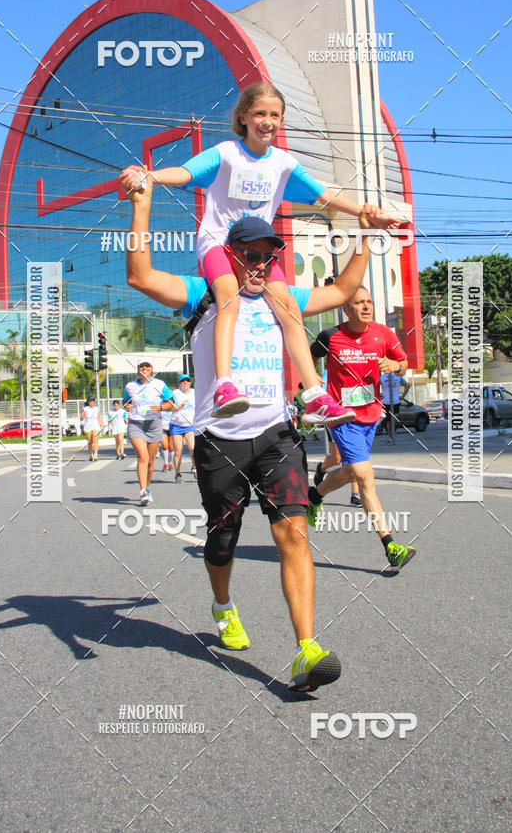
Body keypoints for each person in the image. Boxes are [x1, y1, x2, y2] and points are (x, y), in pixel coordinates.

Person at [125, 182, 382, 690]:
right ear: (229, 256)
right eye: (250, 255)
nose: (261, 264)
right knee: (223, 539)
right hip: (220, 439)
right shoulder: (205, 294)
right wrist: (142, 205)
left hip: (276, 434)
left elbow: (343, 292)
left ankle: (307, 649)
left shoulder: (282, 298)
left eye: (269, 255)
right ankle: (223, 604)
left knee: (293, 532)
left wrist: (366, 238)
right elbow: (140, 277)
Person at [120, 81, 399, 423]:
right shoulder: (225, 154)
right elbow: (185, 173)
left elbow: (323, 195)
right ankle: (225, 385)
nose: (267, 121)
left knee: (289, 310)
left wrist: (363, 214)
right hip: (221, 243)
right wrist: (149, 176)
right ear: (243, 118)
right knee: (229, 299)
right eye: (259, 114)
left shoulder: (282, 163)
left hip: (260, 249)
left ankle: (313, 395)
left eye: (275, 115)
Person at [307, 287, 416, 571]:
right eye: (359, 302)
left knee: (351, 470)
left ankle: (315, 495)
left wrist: (396, 365)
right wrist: (314, 385)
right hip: (341, 414)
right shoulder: (331, 336)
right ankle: (390, 545)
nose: (366, 306)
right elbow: (307, 358)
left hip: (370, 413)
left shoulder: (383, 334)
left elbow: (404, 363)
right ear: (346, 308)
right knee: (365, 475)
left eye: (369, 301)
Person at [122, 359, 175, 506]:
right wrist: (127, 407)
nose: (144, 368)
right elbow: (125, 402)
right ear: (138, 369)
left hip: (154, 424)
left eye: (147, 366)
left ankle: (148, 486)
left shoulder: (159, 385)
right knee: (142, 457)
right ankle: (143, 491)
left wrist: (161, 408)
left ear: (151, 369)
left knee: (150, 461)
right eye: (141, 366)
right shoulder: (130, 386)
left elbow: (171, 403)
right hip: (136, 424)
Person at [169, 373, 196, 483]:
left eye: (187, 381)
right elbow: (170, 408)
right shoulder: (175, 393)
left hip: (189, 425)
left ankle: (194, 467)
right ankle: (177, 473)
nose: (185, 383)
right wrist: (181, 405)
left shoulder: (194, 393)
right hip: (176, 425)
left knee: (192, 448)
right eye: (183, 381)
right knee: (178, 451)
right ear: (179, 383)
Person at [378, 369, 411, 434]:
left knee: (389, 419)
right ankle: (391, 433)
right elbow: (407, 385)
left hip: (386, 401)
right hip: (396, 401)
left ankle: (390, 435)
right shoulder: (398, 376)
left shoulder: (381, 377)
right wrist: (402, 397)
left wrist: (379, 396)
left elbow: (375, 387)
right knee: (392, 419)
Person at [81, 396, 103, 461]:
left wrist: (101, 426)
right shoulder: (85, 409)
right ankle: (91, 455)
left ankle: (95, 455)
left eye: (93, 401)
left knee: (95, 441)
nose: (92, 402)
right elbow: (81, 418)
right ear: (88, 402)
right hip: (88, 426)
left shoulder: (96, 409)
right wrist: (82, 416)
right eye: (91, 401)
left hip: (95, 426)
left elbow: (99, 418)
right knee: (90, 442)